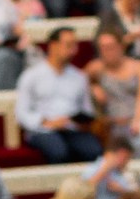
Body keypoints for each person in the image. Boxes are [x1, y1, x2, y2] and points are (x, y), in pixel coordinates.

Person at [15, 27, 99, 164]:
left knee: (93, 150)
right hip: (42, 130)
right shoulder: (31, 76)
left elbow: (87, 109)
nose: (73, 50)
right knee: (58, 152)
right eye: (68, 45)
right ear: (53, 46)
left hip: (72, 128)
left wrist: (81, 121)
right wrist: (46, 122)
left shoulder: (79, 77)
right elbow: (21, 112)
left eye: (75, 45)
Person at [85, 28, 140, 152]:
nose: (107, 52)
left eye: (110, 47)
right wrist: (92, 87)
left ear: (121, 46)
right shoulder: (96, 68)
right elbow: (77, 83)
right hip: (114, 127)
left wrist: (137, 121)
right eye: (102, 48)